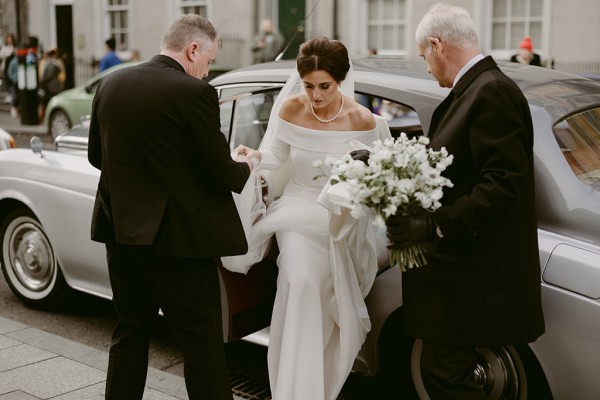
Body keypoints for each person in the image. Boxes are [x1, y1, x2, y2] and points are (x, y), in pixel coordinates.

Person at [87, 14, 255, 400]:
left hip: (121, 232)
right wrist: (247, 164)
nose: (206, 70)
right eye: (209, 61)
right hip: (177, 242)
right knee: (202, 342)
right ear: (192, 49)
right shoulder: (193, 93)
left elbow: (99, 157)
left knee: (129, 332)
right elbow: (221, 174)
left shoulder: (111, 84)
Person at [385, 3, 545, 399]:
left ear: (437, 45)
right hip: (462, 282)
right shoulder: (478, 89)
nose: (426, 67)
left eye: (424, 56)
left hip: (475, 282)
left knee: (445, 377)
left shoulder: (492, 92)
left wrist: (435, 224)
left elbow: (502, 184)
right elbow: (453, 166)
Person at [231, 37, 391, 400]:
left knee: (328, 301)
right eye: (308, 85)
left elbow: (374, 177)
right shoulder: (290, 109)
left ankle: (317, 386)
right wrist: (251, 156)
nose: (315, 95)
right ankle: (291, 388)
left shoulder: (363, 120)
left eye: (324, 86)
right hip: (296, 212)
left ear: (341, 80)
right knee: (299, 281)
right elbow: (274, 157)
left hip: (340, 220)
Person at [38, 47, 65, 121]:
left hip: (53, 86)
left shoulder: (57, 62)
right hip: (49, 87)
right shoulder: (45, 62)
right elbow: (42, 74)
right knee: (47, 103)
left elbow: (62, 75)